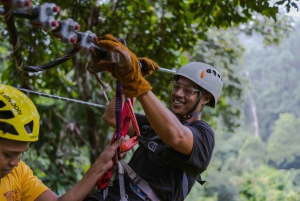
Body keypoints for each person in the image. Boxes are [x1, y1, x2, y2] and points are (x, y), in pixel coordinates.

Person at [84, 34, 223, 201]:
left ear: (206, 99)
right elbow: (112, 117)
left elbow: (176, 136)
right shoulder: (154, 124)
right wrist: (127, 77)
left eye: (188, 91)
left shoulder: (203, 134)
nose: (178, 94)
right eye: (177, 87)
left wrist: (137, 83)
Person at [0, 84, 125, 201]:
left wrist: (103, 164)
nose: (15, 163)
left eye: (21, 154)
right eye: (8, 155)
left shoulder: (18, 172)